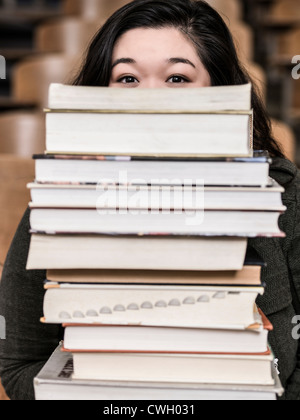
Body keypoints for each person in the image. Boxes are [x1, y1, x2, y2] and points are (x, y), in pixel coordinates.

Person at [0, 0, 299, 400]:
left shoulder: (284, 195)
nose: (149, 98)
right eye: (127, 78)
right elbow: (19, 365)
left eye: (177, 78)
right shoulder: (59, 201)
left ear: (219, 92)